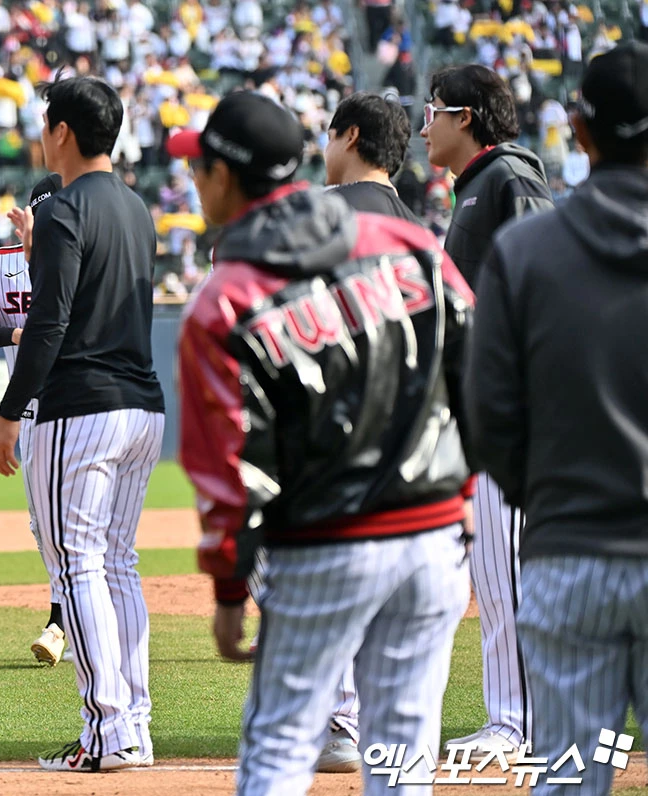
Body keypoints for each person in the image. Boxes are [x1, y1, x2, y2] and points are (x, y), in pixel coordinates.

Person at [172, 89, 474, 795]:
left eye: (199, 166)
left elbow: (225, 466)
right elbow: (482, 369)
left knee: (279, 745)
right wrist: (459, 494)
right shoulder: (404, 242)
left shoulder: (226, 298)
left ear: (222, 176)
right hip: (433, 540)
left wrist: (228, 584)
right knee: (402, 757)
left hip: (324, 544)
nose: (192, 178)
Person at [465, 41, 648, 795]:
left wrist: (544, 495)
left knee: (571, 782)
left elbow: (488, 418)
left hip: (568, 548)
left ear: (578, 131)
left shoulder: (525, 248)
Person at [0, 76, 165, 772]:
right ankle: (135, 724)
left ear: (61, 131)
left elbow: (48, 321)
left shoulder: (61, 210)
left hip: (80, 408)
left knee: (77, 566)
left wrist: (8, 413)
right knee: (118, 563)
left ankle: (107, 732)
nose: (40, 134)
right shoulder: (137, 207)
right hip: (142, 405)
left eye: (44, 123)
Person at [421, 63, 555, 754]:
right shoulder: (478, 185)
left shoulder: (508, 177)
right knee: (499, 579)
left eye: (433, 110)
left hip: (518, 419)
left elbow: (548, 282)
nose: (424, 125)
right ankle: (522, 716)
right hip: (490, 418)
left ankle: (518, 723)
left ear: (465, 116)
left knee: (508, 578)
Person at [0, 173, 68, 666]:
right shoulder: (2, 265)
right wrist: (16, 334)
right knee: (43, 523)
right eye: (41, 214)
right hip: (31, 411)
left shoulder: (85, 260)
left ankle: (61, 622)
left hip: (83, 405)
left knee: (74, 519)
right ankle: (68, 617)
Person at [325, 91, 421, 224]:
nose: (326, 149)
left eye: (330, 138)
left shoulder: (327, 209)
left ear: (351, 135)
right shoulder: (416, 227)